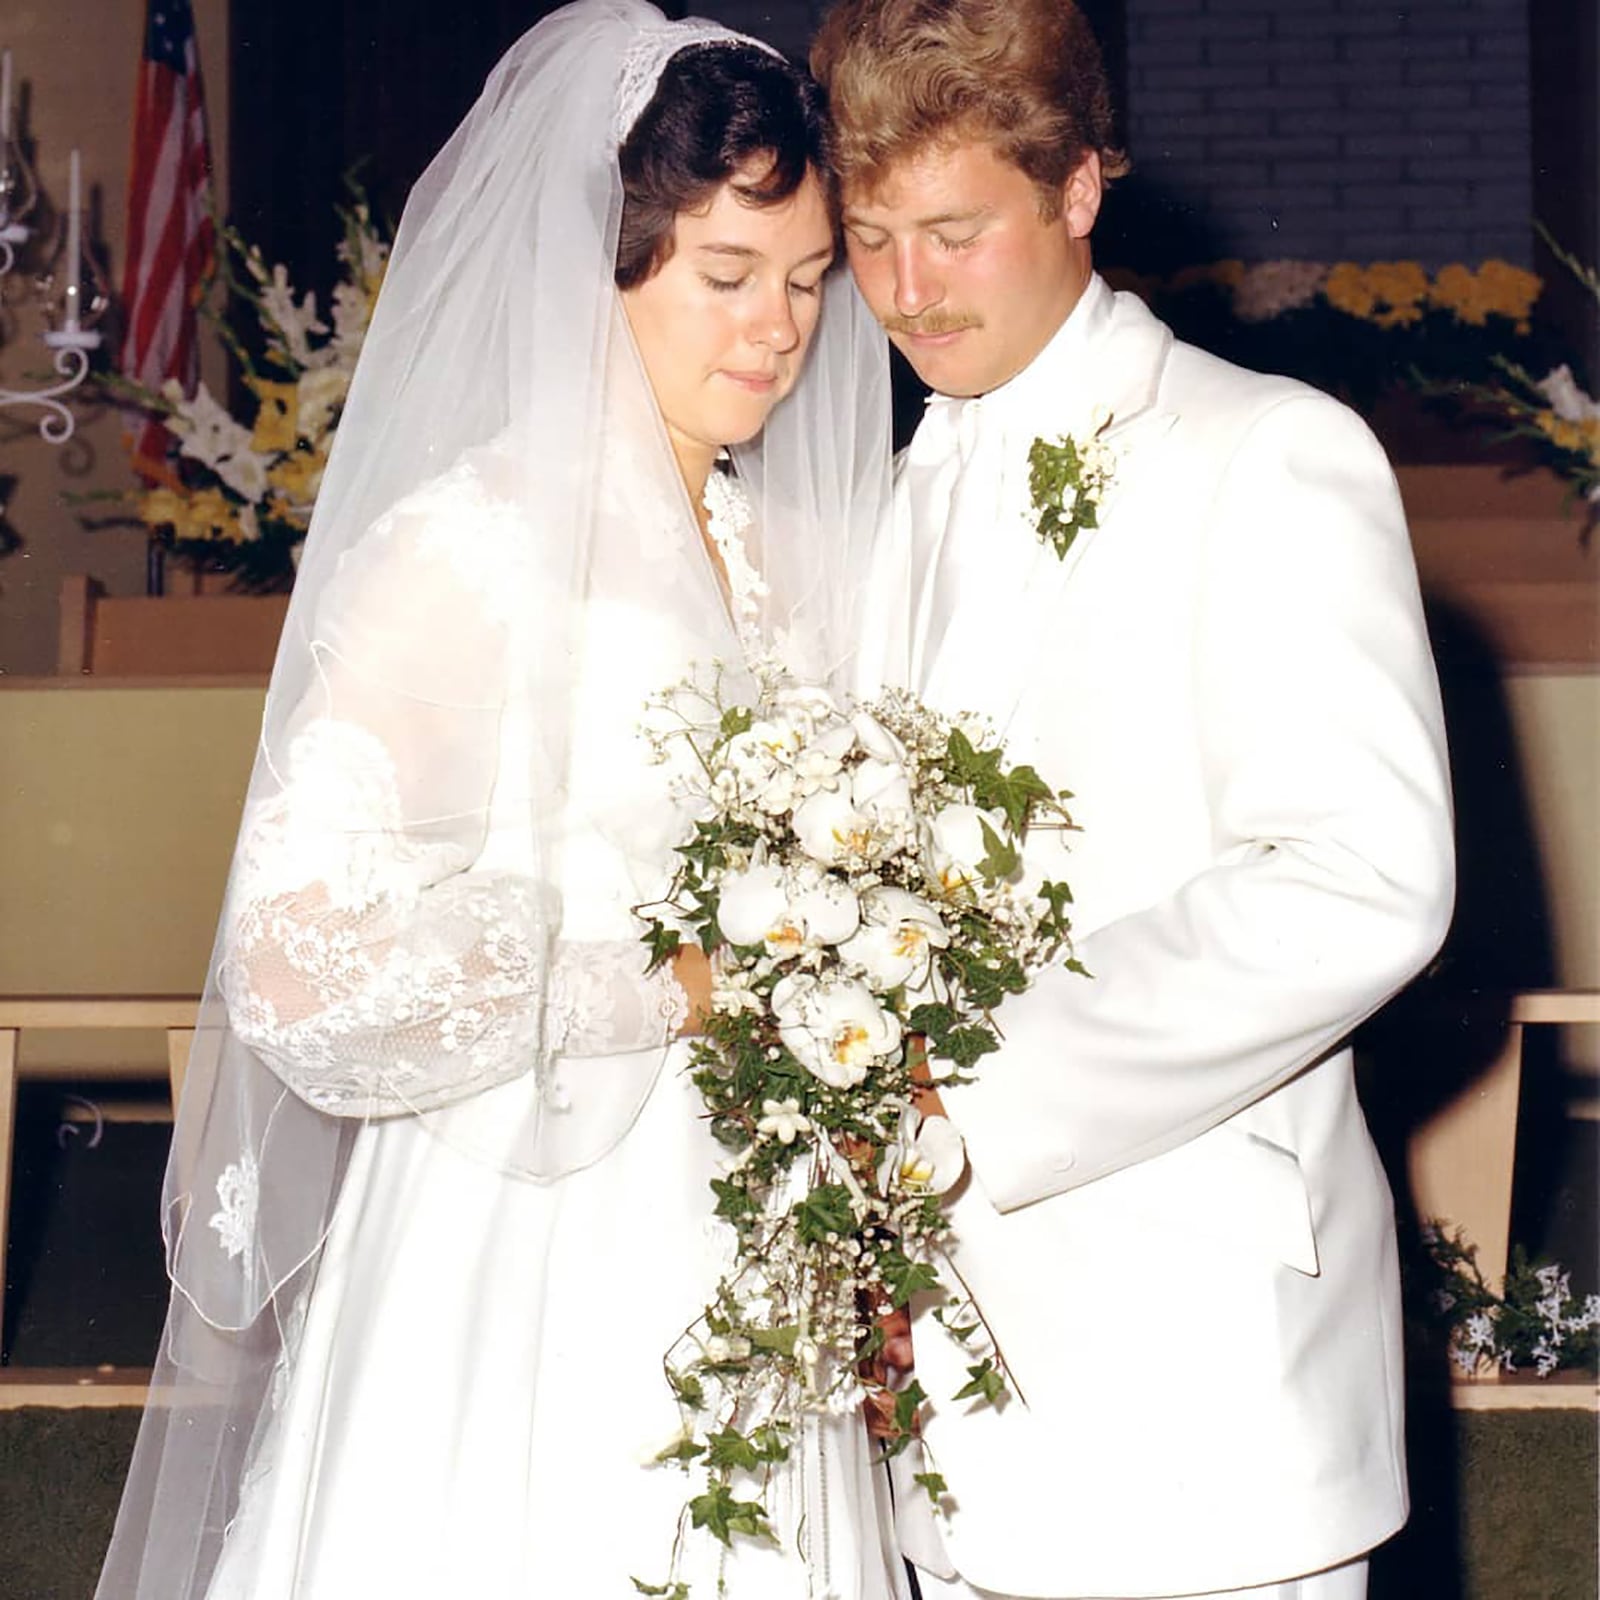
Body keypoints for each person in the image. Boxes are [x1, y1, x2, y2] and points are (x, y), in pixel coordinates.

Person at [95, 5, 904, 1597]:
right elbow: (293, 961)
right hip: (524, 1230)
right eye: (727, 278)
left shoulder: (786, 555)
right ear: (602, 270)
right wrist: (658, 987)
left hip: (744, 1214)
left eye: (809, 282)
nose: (780, 331)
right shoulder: (469, 552)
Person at [810, 2, 1456, 1597]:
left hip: (1195, 1375)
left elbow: (1362, 877)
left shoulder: (1266, 453)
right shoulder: (883, 490)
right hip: (937, 1396)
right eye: (872, 237)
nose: (904, 291)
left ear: (1081, 189)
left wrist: (965, 1091)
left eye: (955, 231)